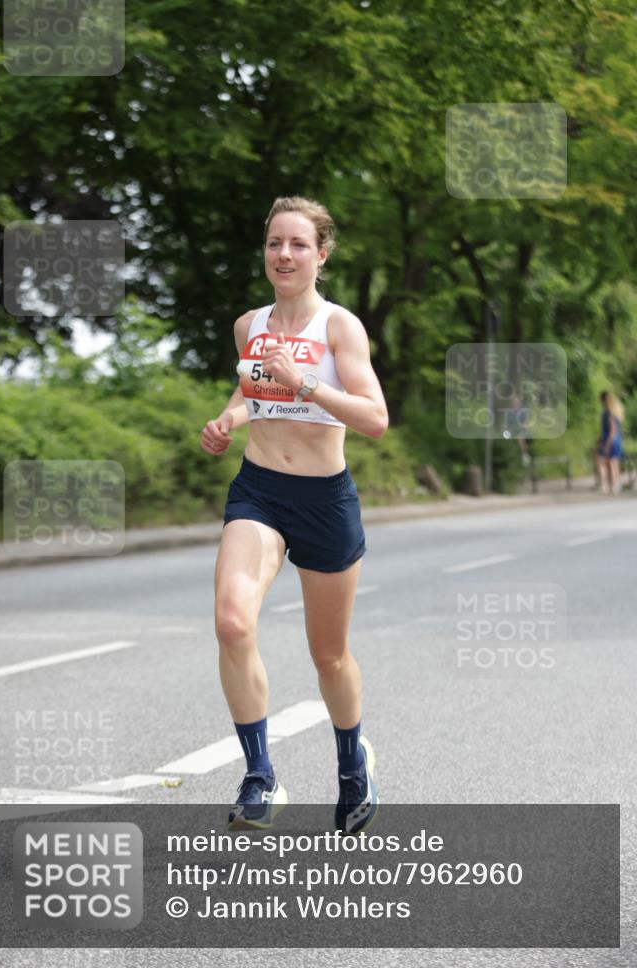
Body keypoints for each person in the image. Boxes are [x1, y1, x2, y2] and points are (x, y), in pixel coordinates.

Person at [200, 195, 389, 835]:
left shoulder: (339, 328)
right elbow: (252, 392)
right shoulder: (249, 324)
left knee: (328, 656)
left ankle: (351, 764)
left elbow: (375, 419)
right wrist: (230, 417)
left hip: (324, 501)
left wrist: (305, 381)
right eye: (275, 243)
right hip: (259, 492)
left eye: (298, 244)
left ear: (321, 254)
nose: (284, 254)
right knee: (231, 621)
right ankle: (260, 775)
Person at [595, 391, 624, 494]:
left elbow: (612, 430)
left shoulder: (608, 413)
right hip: (616, 439)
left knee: (602, 462)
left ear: (604, 400)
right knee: (613, 463)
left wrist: (607, 444)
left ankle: (605, 485)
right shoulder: (615, 411)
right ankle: (615, 486)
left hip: (610, 439)